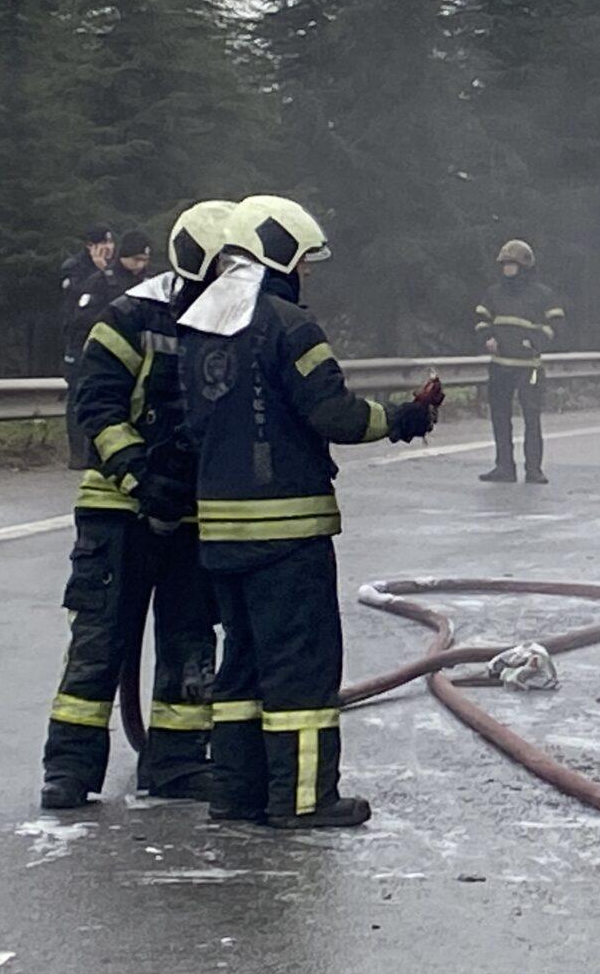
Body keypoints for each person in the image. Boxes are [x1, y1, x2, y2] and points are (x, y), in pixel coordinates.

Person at [180, 195, 440, 828]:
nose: (308, 274)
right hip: (288, 534)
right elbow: (335, 414)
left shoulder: (198, 322)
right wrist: (403, 418)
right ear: (278, 253)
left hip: (220, 533)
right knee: (300, 669)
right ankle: (303, 800)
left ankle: (235, 794)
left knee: (241, 666)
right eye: (304, 260)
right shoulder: (289, 325)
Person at [39, 201, 237, 810]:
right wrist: (140, 477)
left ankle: (176, 762)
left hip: (193, 517)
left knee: (190, 639)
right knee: (101, 639)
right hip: (118, 512)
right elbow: (95, 407)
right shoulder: (130, 314)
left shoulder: (232, 318)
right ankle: (69, 770)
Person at [475, 239, 565, 485]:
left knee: (531, 417)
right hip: (500, 366)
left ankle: (534, 470)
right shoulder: (494, 293)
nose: (507, 269)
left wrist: (536, 343)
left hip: (530, 369)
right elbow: (482, 319)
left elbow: (556, 324)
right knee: (500, 417)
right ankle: (504, 467)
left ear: (524, 266)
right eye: (504, 265)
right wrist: (487, 337)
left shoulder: (542, 295)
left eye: (511, 265)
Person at [59, 225, 120, 468]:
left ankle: (99, 451)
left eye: (111, 244)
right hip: (78, 341)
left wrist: (106, 271)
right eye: (103, 245)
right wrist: (98, 271)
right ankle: (77, 453)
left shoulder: (113, 271)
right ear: (90, 246)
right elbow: (77, 296)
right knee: (76, 398)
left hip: (105, 342)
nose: (108, 249)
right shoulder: (74, 268)